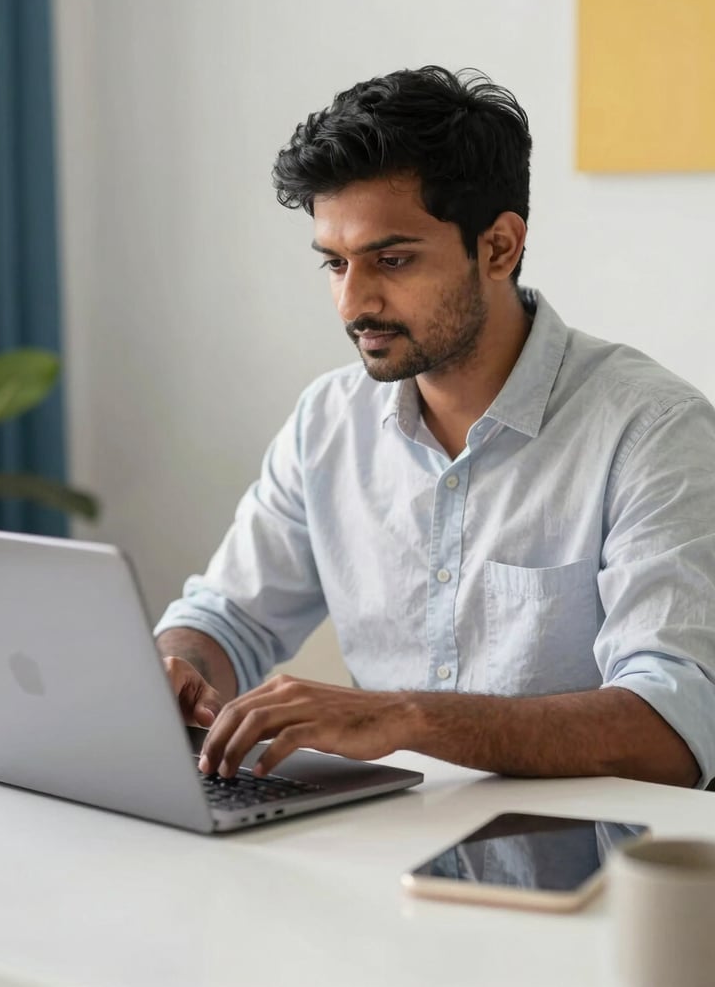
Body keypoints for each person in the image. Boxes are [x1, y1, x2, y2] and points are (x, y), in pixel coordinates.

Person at [155, 66, 715, 789]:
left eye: (391, 259)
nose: (353, 302)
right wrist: (182, 670)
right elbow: (225, 617)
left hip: (583, 886)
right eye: (334, 263)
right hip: (379, 869)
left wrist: (406, 717)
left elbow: (676, 726)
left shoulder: (654, 432)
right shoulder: (327, 423)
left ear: (498, 248)